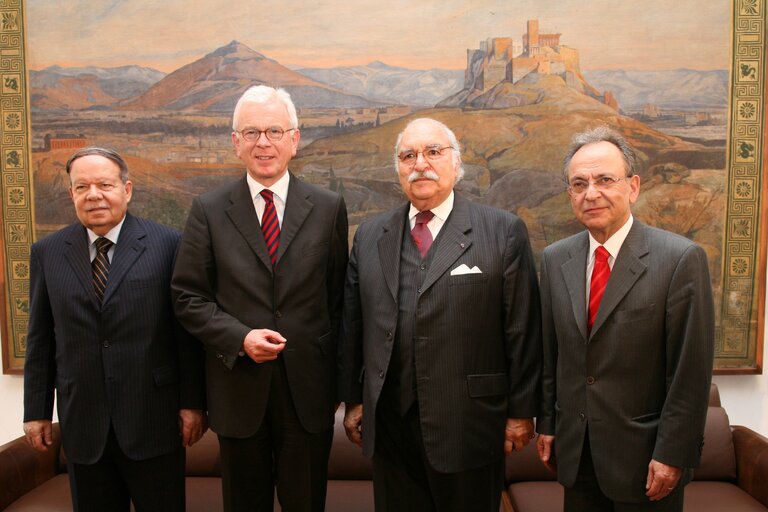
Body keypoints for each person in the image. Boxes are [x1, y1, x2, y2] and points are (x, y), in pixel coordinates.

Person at [338, 117, 541, 512]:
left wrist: (521, 412)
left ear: (456, 162)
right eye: (408, 155)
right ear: (398, 168)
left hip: (470, 427)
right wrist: (353, 399)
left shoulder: (502, 231)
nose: (420, 164)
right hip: (391, 430)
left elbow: (522, 329)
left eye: (433, 152)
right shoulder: (369, 236)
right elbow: (353, 324)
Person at [171, 85, 348, 512]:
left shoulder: (328, 207)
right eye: (251, 132)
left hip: (308, 393)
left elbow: (341, 301)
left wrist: (347, 389)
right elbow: (187, 296)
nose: (263, 143)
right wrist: (239, 338)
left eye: (273, 130)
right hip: (238, 390)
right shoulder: (209, 210)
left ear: (294, 139)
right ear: (236, 143)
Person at [536, 126, 715, 512]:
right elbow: (552, 355)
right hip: (577, 453)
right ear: (570, 194)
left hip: (647, 459)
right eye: (579, 184)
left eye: (605, 180)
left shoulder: (679, 259)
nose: (591, 193)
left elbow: (690, 370)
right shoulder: (555, 259)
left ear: (632, 186)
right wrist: (548, 424)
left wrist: (673, 453)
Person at [23, 147, 206, 512]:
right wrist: (37, 410)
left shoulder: (167, 245)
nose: (94, 195)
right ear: (71, 194)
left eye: (105, 184)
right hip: (83, 421)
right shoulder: (48, 251)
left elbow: (185, 334)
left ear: (127, 189)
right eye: (82, 187)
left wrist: (193, 403)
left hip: (152, 418)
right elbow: (40, 337)